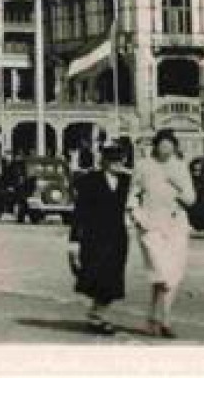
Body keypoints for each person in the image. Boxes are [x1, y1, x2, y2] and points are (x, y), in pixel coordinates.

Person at [128, 129, 196, 338]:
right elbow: (132, 196)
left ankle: (161, 320)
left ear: (175, 146)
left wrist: (177, 185)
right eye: (162, 143)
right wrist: (137, 218)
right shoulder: (143, 166)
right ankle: (156, 319)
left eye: (170, 144)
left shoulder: (180, 167)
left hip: (175, 224)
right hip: (151, 225)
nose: (166, 148)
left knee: (171, 276)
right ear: (155, 145)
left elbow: (191, 199)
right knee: (162, 274)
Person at [68, 142, 132, 336]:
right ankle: (96, 315)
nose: (116, 164)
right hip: (94, 236)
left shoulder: (127, 181)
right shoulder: (90, 181)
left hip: (117, 236)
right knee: (96, 276)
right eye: (111, 160)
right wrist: (74, 241)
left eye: (119, 160)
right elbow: (80, 212)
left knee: (113, 277)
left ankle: (96, 314)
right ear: (103, 162)